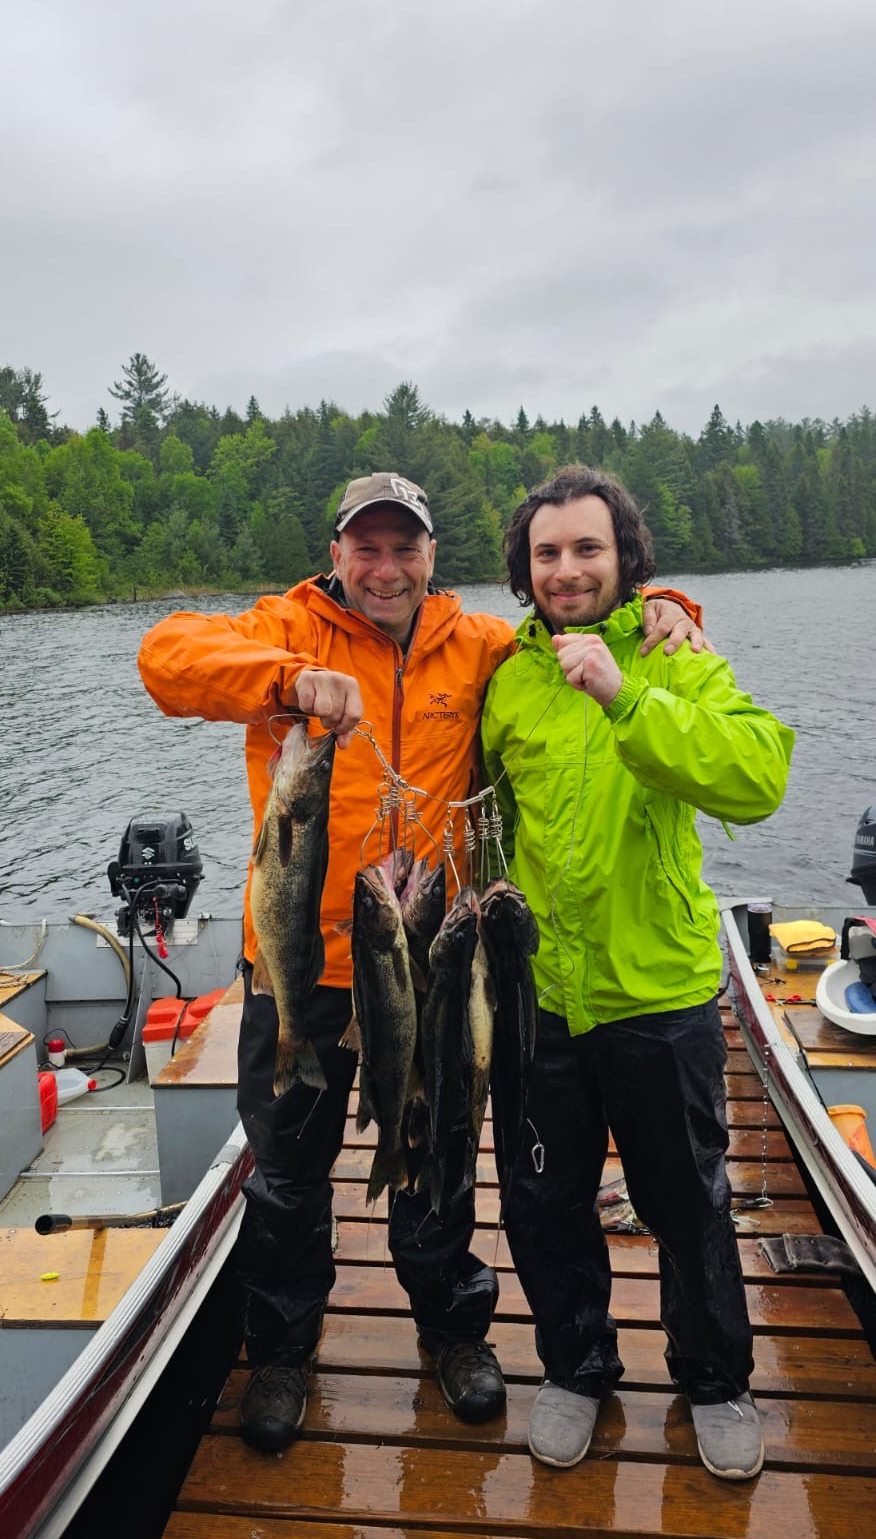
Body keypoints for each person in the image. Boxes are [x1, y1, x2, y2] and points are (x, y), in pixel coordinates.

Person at [137, 470, 703, 1454]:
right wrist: (283, 682)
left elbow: (574, 634)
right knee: (285, 1176)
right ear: (339, 551)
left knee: (437, 1162)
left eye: (407, 547)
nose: (386, 567)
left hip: (429, 965)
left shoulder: (474, 643)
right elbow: (165, 657)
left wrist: (667, 605)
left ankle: (452, 1329)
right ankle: (279, 1347)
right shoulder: (287, 628)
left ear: (434, 557)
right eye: (368, 547)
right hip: (300, 969)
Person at [480, 465, 794, 1480]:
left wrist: (625, 695)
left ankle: (715, 1379)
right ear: (524, 570)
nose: (567, 570)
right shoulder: (507, 674)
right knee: (542, 1200)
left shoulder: (675, 655)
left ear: (627, 559)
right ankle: (576, 1367)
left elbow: (757, 778)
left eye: (587, 549)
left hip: (658, 993)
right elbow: (487, 814)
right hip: (542, 1001)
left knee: (687, 1200)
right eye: (547, 553)